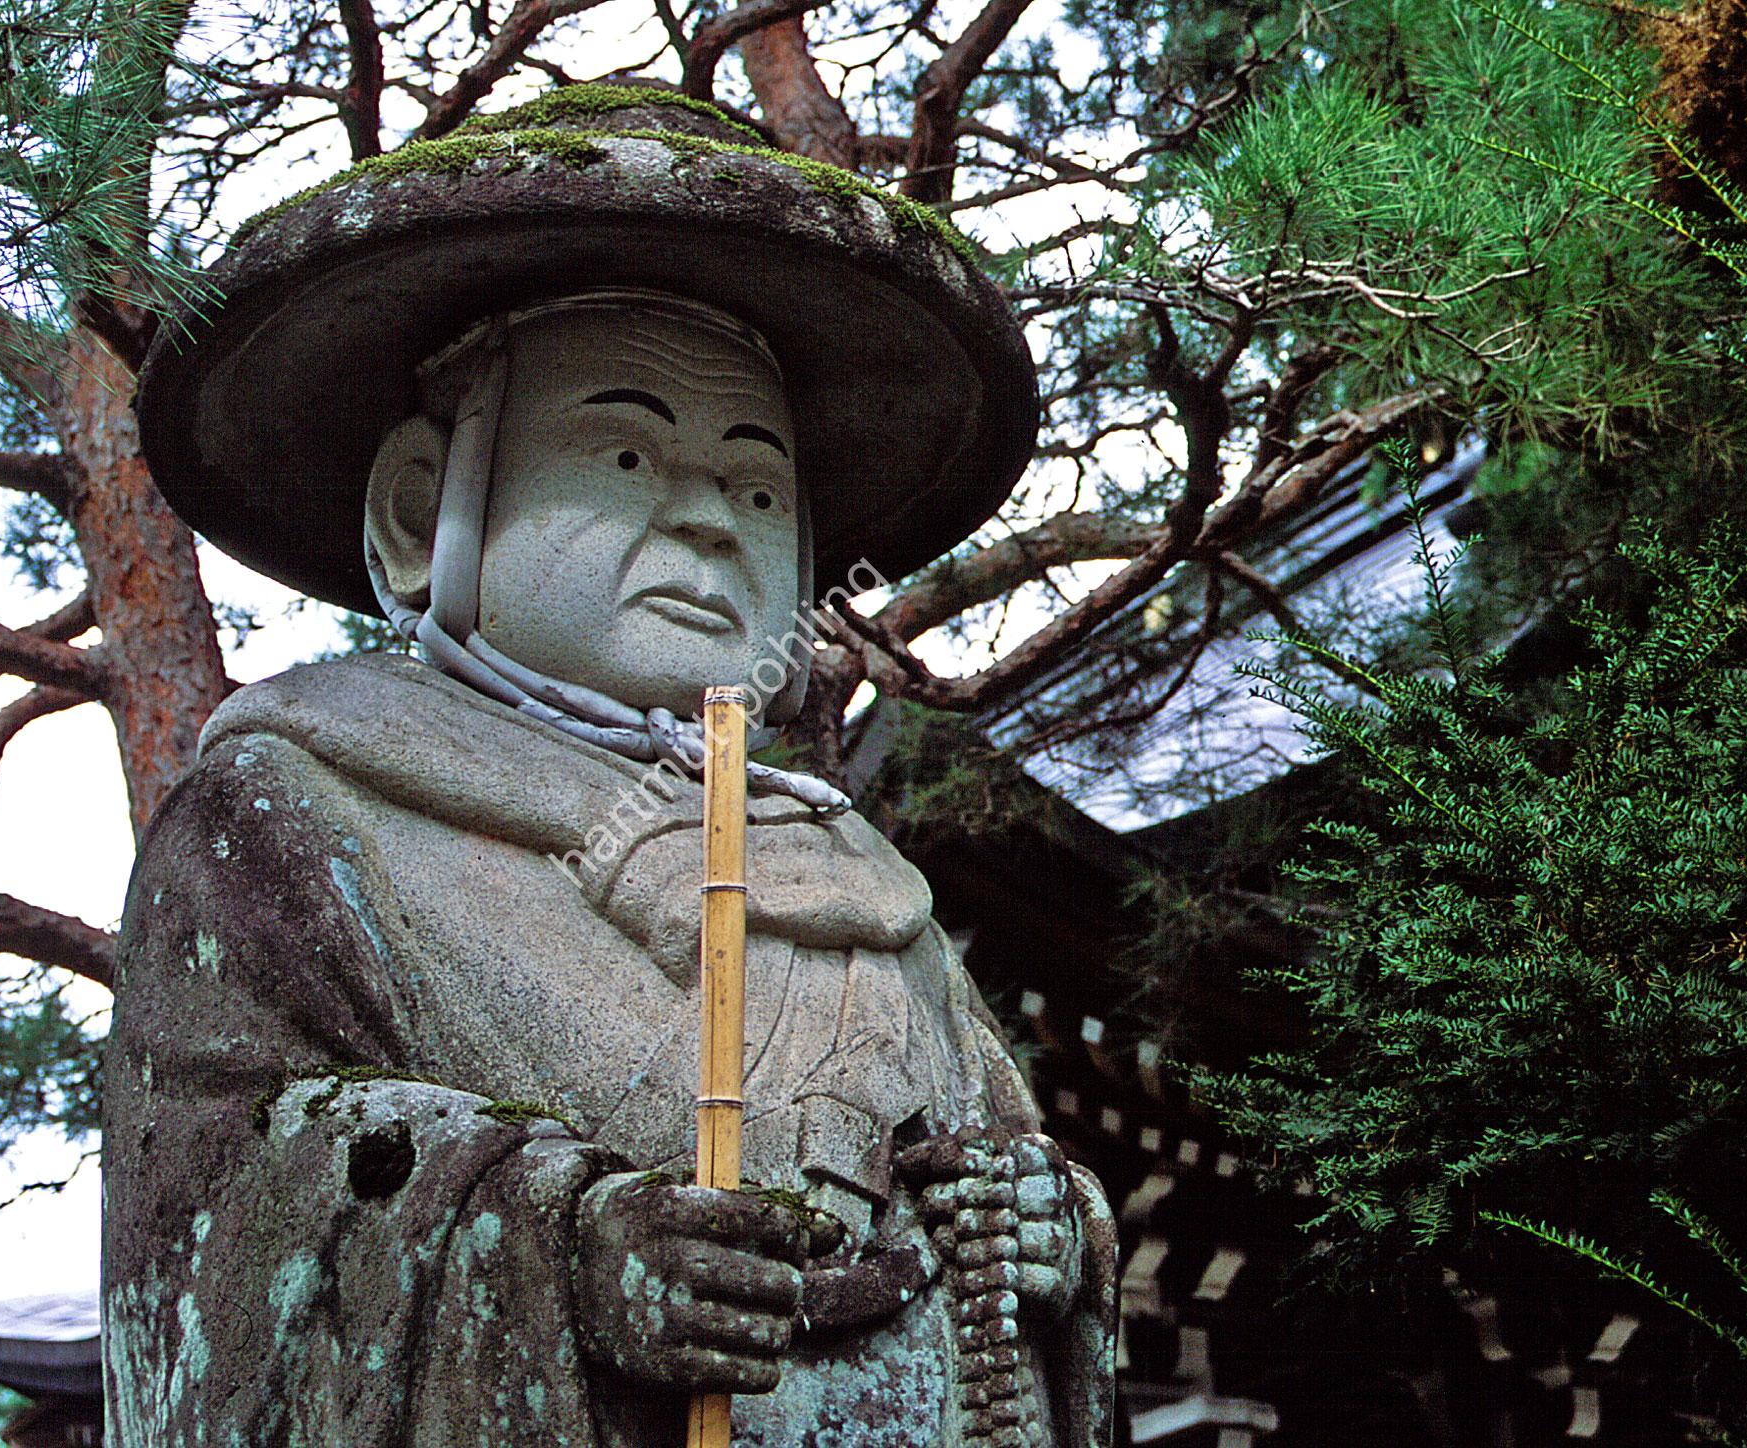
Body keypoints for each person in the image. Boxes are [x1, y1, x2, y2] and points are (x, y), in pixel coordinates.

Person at [106, 87, 1116, 1447]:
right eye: (630, 452)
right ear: (422, 512)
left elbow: (998, 1173)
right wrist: (553, 1248)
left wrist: (1041, 1228)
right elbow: (211, 1206)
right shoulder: (291, 823)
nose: (708, 520)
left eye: (757, 488)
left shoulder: (866, 891)